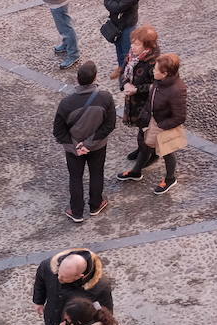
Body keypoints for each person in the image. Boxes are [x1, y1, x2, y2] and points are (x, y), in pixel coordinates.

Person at [54, 61, 116, 222]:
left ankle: (76, 212)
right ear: (95, 77)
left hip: (74, 149)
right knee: (97, 173)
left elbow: (59, 132)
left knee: (75, 177)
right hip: (97, 146)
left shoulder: (66, 103)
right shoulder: (105, 98)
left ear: (77, 78)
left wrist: (77, 147)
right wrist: (89, 144)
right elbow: (109, 125)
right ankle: (96, 205)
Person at [118, 52, 186, 195]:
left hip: (163, 125)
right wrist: (145, 117)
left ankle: (170, 179)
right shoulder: (158, 80)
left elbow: (180, 117)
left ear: (165, 73)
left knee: (167, 152)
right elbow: (152, 99)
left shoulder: (176, 90)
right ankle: (136, 172)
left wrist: (161, 126)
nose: (153, 71)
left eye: (156, 69)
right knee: (145, 145)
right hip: (151, 120)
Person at [116, 26, 159, 169]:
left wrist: (137, 89)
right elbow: (123, 71)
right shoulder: (132, 55)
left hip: (147, 105)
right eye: (132, 43)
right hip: (134, 102)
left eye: (137, 44)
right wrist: (125, 84)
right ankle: (141, 150)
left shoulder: (154, 63)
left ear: (147, 46)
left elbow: (157, 86)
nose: (132, 47)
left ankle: (151, 154)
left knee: (146, 133)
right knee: (141, 130)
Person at [103, 0, 138, 73]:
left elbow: (118, 7)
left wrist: (111, 5)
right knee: (120, 53)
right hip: (116, 24)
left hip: (128, 25)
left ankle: (128, 76)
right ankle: (122, 73)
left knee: (128, 55)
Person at [44, 0, 79, 70]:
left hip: (58, 3)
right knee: (62, 27)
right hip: (56, 3)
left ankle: (73, 54)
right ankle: (66, 44)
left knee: (66, 29)